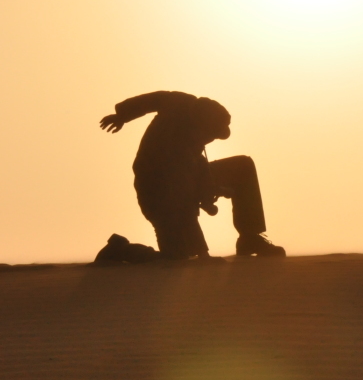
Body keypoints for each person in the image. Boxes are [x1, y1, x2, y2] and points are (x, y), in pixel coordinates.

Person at [99, 91, 286, 260]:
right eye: (210, 135)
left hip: (188, 180)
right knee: (176, 257)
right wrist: (203, 254)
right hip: (157, 196)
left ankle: (250, 237)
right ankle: (120, 249)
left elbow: (197, 170)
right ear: (200, 125)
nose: (210, 140)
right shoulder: (175, 123)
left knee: (242, 166)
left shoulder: (192, 123)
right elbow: (153, 99)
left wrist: (212, 188)